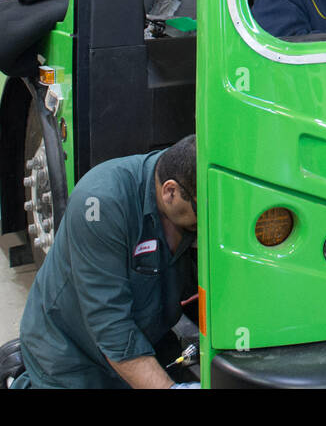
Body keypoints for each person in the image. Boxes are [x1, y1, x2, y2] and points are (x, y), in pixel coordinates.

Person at [12, 136, 200, 389]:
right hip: (70, 358)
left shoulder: (189, 176)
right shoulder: (100, 204)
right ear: (170, 191)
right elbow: (110, 323)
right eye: (202, 211)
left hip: (145, 341)